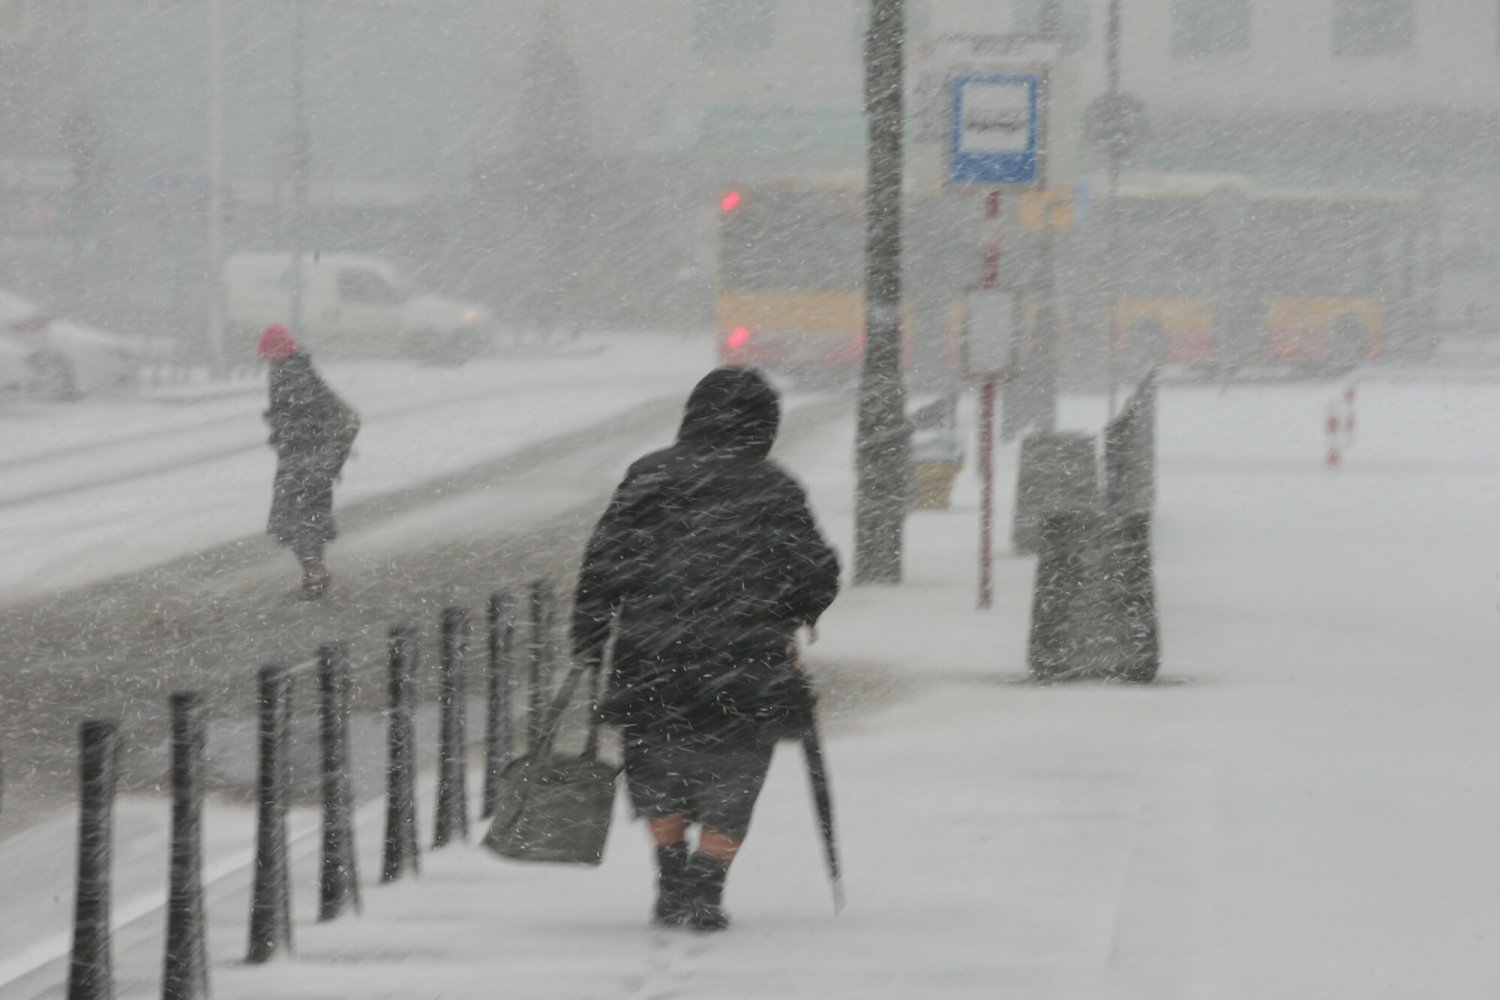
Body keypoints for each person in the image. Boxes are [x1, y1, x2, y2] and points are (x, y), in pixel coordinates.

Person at [571, 367, 840, 931]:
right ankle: (707, 885)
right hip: (746, 657)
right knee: (736, 771)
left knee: (656, 764)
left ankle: (671, 875)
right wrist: (795, 609)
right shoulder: (774, 486)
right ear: (764, 425)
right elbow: (817, 569)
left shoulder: (648, 476)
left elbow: (604, 563)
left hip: (653, 652)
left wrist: (591, 634)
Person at [259, 324, 360, 598]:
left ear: (280, 350)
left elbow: (304, 421)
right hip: (311, 462)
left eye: (270, 353)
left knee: (297, 519)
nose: (267, 358)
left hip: (303, 463)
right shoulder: (296, 371)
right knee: (309, 517)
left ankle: (315, 573)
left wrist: (279, 424)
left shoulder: (292, 376)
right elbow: (311, 415)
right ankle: (314, 572)